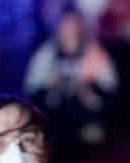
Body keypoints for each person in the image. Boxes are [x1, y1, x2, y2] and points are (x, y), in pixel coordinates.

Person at [24, 8, 118, 148]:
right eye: (65, 27)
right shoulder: (46, 54)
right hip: (54, 117)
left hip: (86, 117)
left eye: (74, 27)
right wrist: (52, 85)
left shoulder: (95, 53)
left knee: (94, 137)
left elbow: (111, 89)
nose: (70, 32)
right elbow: (32, 87)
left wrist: (87, 91)